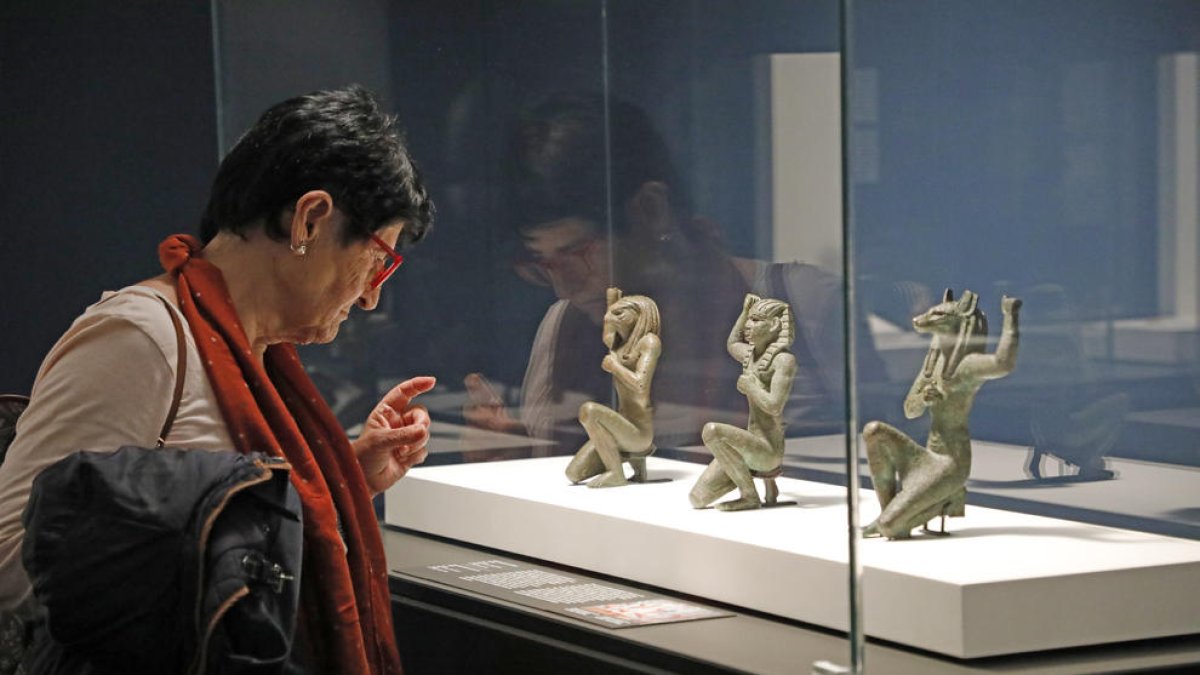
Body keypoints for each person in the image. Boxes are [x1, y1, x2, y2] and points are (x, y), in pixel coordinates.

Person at [0, 85, 434, 674]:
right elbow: (11, 563)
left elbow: (212, 521)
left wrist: (340, 484)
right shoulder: (143, 337)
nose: (372, 296)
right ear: (310, 218)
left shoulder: (255, 356)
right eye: (379, 259)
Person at [689, 295, 797, 511]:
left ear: (774, 325)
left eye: (755, 320)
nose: (748, 325)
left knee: (712, 431)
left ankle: (749, 496)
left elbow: (774, 406)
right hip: (747, 447)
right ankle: (757, 486)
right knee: (697, 498)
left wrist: (751, 387)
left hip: (767, 451)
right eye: (749, 319)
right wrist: (744, 311)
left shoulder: (783, 361)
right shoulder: (750, 355)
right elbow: (732, 343)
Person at [565, 288, 661, 487]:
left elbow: (640, 384)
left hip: (639, 433)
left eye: (620, 314)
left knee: (588, 411)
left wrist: (615, 367)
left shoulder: (649, 342)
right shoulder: (619, 344)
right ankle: (627, 462)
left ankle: (616, 473)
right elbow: (608, 331)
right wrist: (612, 304)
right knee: (573, 474)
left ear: (640, 315)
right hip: (620, 429)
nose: (610, 317)